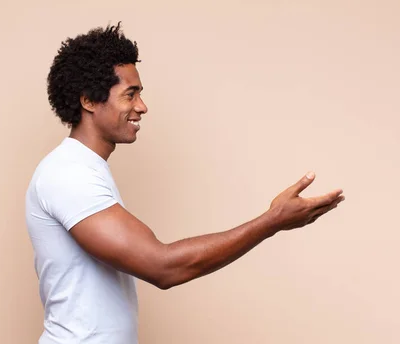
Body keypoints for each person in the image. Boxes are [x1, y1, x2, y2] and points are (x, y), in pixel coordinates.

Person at [24, 22, 345, 344]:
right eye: (130, 94)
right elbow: (162, 267)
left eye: (140, 94)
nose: (142, 107)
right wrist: (271, 221)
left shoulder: (84, 169)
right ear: (89, 101)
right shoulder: (69, 174)